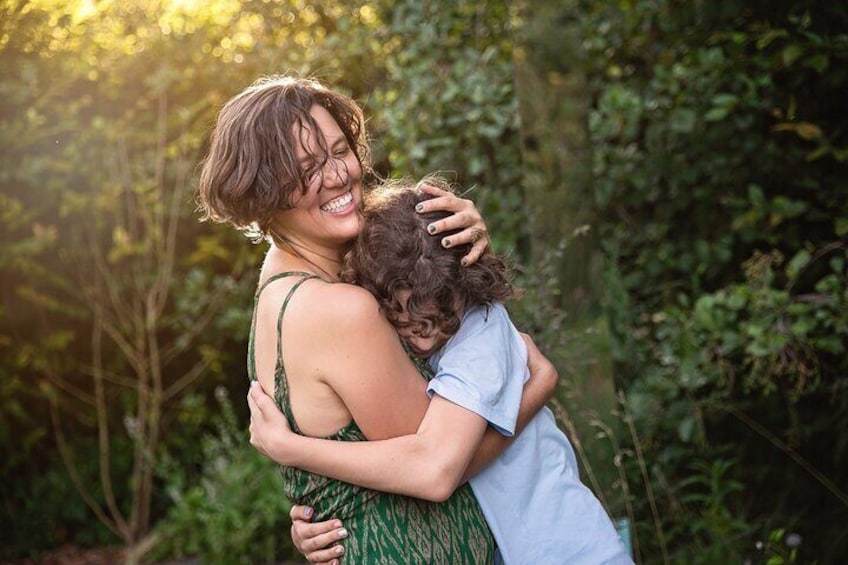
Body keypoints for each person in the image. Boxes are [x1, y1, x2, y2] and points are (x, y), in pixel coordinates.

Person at [196, 75, 558, 564]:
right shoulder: (340, 310)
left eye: (339, 150)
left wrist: (467, 244)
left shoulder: (282, 280)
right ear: (264, 194)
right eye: (306, 169)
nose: (337, 175)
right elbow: (435, 470)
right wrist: (534, 389)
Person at [247, 178, 634, 565]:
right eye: (405, 318)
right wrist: (325, 510)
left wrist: (294, 450)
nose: (424, 334)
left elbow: (435, 471)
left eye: (431, 320)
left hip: (566, 549)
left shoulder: (478, 334)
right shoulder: (395, 309)